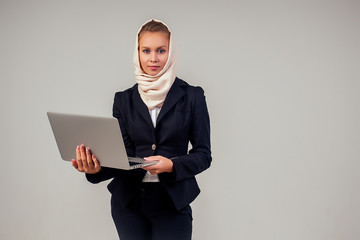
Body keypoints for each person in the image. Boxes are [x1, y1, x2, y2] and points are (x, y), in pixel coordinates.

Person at [71, 19, 211, 240]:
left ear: (171, 52)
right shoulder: (123, 100)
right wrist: (94, 169)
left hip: (172, 201)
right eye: (146, 50)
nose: (153, 58)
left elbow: (203, 155)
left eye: (161, 50)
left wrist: (172, 164)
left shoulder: (192, 96)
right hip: (128, 203)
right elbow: (123, 158)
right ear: (137, 53)